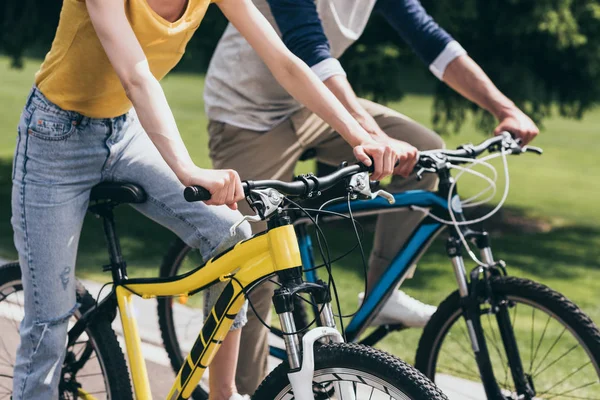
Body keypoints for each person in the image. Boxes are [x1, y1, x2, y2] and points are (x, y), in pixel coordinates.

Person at [9, 0, 406, 399]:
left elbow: (283, 61)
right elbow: (135, 75)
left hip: (125, 130)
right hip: (54, 139)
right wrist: (187, 169)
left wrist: (359, 135)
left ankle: (223, 392)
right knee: (49, 323)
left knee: (230, 234)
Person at [203, 0, 540, 395]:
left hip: (314, 105)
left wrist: (505, 108)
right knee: (256, 263)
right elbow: (307, 44)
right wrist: (369, 134)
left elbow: (429, 38)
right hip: (248, 115)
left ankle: (382, 294)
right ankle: (246, 389)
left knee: (424, 153)